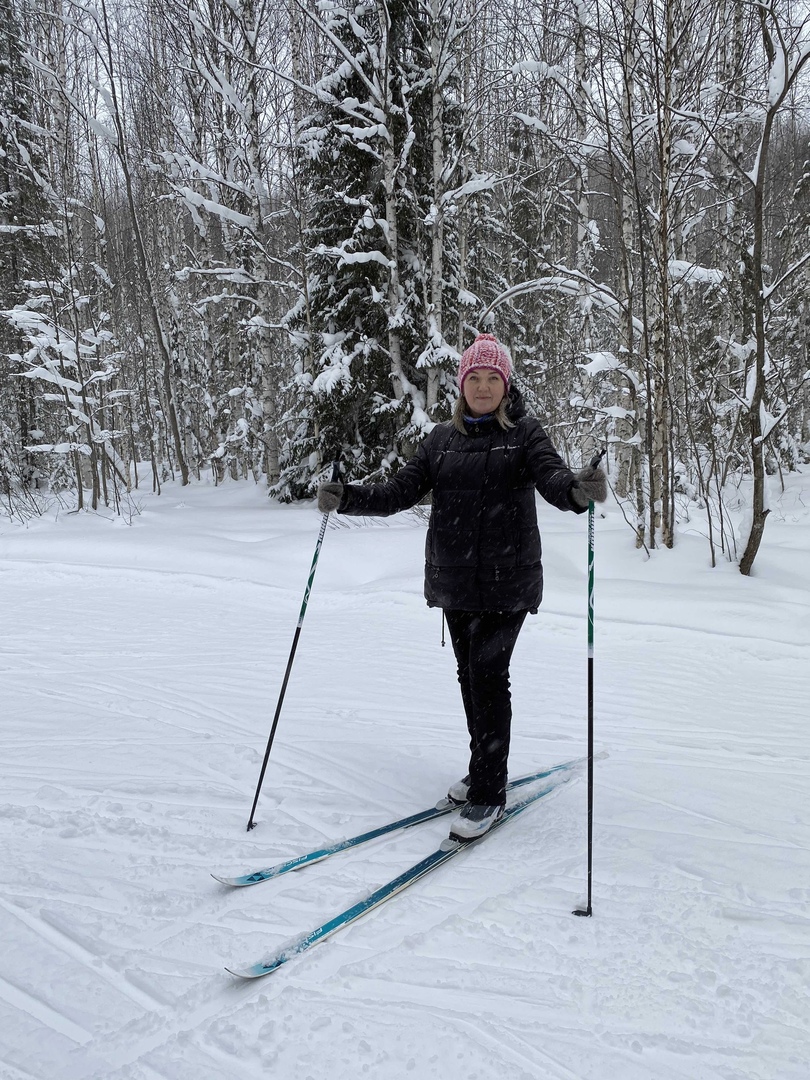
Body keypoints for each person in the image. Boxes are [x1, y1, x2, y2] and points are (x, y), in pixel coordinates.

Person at [317, 333, 607, 842]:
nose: (482, 386)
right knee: (469, 676)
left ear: (506, 384)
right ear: (461, 384)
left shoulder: (525, 434)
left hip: (508, 583)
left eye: (493, 378)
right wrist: (347, 499)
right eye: (474, 377)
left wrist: (578, 492)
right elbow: (396, 494)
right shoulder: (439, 441)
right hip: (454, 582)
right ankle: (481, 769)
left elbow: (555, 480)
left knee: (488, 674)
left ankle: (489, 792)